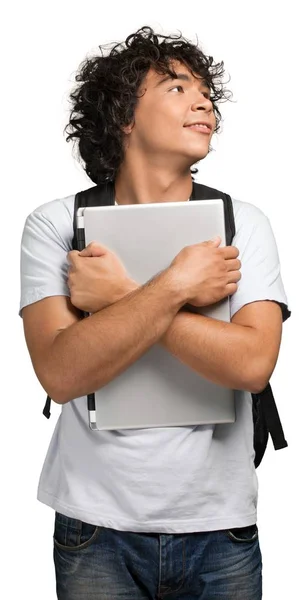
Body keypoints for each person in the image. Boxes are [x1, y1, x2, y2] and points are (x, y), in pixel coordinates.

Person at [20, 26, 290, 600]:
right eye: (175, 88)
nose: (204, 102)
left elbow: (251, 366)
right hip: (95, 527)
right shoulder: (56, 225)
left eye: (205, 91)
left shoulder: (245, 223)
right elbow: (61, 374)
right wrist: (176, 285)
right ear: (124, 116)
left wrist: (122, 294)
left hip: (220, 528)